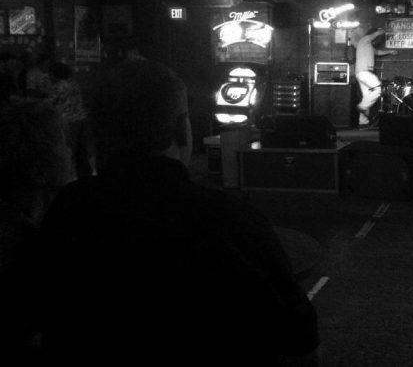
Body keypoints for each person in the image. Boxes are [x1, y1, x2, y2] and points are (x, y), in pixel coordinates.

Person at [39, 60, 320, 367]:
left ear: (95, 133)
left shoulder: (68, 209)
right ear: (181, 130)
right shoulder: (232, 218)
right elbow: (301, 344)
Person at [0, 99, 73, 365]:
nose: (70, 152)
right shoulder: (21, 238)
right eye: (63, 144)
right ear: (41, 162)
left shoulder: (18, 220)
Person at [47, 61, 96, 178]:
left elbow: (49, 103)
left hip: (68, 121)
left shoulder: (56, 86)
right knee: (89, 146)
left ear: (53, 74)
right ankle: (94, 171)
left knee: (70, 149)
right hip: (82, 118)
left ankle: (73, 176)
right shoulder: (74, 82)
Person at [355, 27, 396, 129]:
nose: (377, 41)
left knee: (366, 97)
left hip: (361, 73)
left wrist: (390, 51)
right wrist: (385, 30)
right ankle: (362, 107)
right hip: (364, 72)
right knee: (378, 89)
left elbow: (377, 52)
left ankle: (363, 123)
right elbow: (376, 34)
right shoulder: (365, 39)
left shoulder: (367, 45)